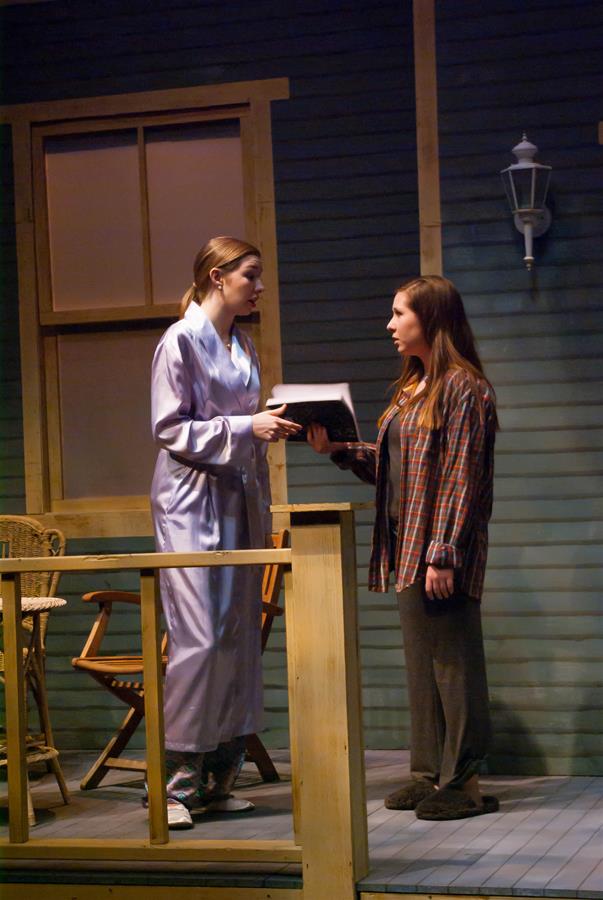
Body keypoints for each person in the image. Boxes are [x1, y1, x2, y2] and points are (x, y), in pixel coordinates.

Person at [307, 275, 499, 821]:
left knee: (453, 663)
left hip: (439, 549)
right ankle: (427, 773)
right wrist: (342, 451)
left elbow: (460, 475)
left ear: (431, 320)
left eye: (399, 315)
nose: (390, 325)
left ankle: (463, 782)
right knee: (423, 663)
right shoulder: (412, 388)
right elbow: (399, 472)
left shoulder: (463, 388)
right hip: (405, 545)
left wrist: (444, 551)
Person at [150, 236, 301, 829]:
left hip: (239, 500)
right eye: (251, 275)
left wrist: (270, 424)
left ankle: (218, 780)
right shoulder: (179, 341)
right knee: (201, 640)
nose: (259, 286)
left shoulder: (243, 345)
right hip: (191, 503)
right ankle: (174, 786)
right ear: (218, 277)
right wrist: (245, 426)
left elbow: (243, 426)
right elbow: (169, 427)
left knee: (238, 636)